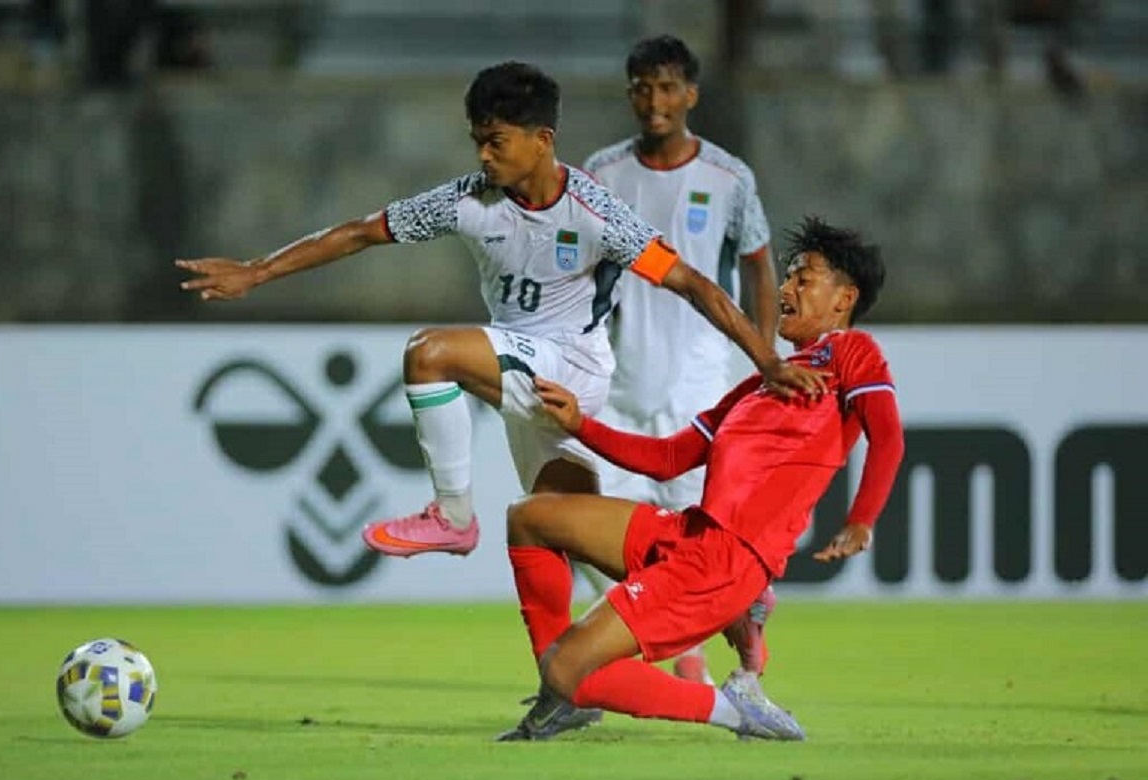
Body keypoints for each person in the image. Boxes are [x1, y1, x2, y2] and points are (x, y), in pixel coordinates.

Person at [176, 62, 824, 563]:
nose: (483, 156)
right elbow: (358, 233)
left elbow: (694, 284)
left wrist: (767, 361)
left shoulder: (597, 214)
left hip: (573, 367)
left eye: (495, 142)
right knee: (564, 533)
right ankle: (715, 617)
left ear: (542, 141)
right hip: (522, 374)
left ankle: (453, 517)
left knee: (428, 353)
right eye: (477, 141)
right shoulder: (465, 200)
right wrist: (257, 271)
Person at [497, 216, 905, 742]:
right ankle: (562, 698)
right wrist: (580, 425)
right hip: (691, 532)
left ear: (844, 299)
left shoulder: (851, 352)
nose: (785, 289)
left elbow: (888, 438)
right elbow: (668, 457)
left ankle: (731, 710)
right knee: (531, 517)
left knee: (565, 668)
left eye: (804, 279)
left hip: (726, 559)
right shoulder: (760, 385)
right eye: (788, 276)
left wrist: (861, 520)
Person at [583, 35, 782, 702]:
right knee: (600, 532)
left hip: (700, 381)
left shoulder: (728, 177)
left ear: (691, 94)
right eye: (642, 87)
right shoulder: (602, 173)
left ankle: (716, 651)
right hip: (619, 380)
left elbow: (758, 265)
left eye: (667, 87)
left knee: (702, 537)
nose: (654, 100)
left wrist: (763, 358)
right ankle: (679, 649)